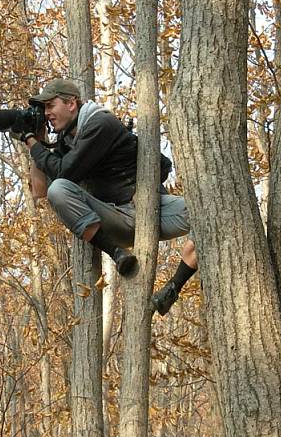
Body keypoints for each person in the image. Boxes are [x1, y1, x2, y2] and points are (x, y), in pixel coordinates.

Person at [18, 78, 197, 316]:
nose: (46, 113)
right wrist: (37, 141)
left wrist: (31, 142)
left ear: (71, 104)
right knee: (58, 190)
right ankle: (117, 253)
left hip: (152, 210)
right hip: (115, 218)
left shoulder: (100, 123)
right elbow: (40, 191)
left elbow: (65, 171)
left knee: (209, 214)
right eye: (44, 108)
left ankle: (173, 288)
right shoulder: (66, 140)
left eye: (50, 105)